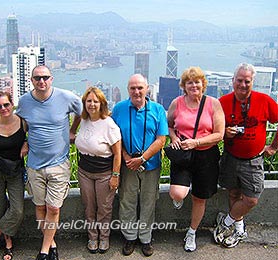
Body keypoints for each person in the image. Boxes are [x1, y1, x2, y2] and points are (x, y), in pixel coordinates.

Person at [17, 65, 82, 260]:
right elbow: (20, 123)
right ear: (31, 80)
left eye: (45, 77)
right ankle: (51, 244)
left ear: (51, 78)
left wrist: (72, 130)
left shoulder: (66, 97)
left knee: (53, 208)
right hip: (35, 164)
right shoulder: (24, 101)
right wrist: (25, 141)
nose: (41, 81)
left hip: (59, 163)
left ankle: (43, 251)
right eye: (37, 78)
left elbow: (82, 111)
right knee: (40, 207)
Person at [214, 63, 278, 248]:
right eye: (239, 80)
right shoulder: (223, 102)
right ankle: (239, 229)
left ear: (253, 82)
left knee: (251, 199)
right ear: (233, 81)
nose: (243, 84)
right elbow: (214, 129)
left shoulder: (264, 100)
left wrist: (273, 147)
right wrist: (225, 132)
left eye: (247, 81)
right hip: (231, 157)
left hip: (254, 160)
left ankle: (226, 222)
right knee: (233, 192)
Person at [167, 67, 225, 252]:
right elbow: (169, 125)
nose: (193, 85)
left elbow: (219, 134)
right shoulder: (177, 103)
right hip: (183, 154)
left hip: (206, 155)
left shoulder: (213, 104)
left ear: (203, 84)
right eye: (189, 82)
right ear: (184, 86)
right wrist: (174, 138)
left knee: (200, 198)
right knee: (177, 193)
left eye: (197, 81)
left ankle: (192, 232)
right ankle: (181, 195)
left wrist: (197, 142)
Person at [111, 74, 168, 257]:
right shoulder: (119, 109)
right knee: (127, 201)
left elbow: (161, 140)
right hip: (127, 164)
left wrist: (142, 159)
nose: (136, 92)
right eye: (133, 88)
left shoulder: (157, 109)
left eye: (140, 88)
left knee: (148, 201)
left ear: (147, 89)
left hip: (150, 164)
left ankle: (145, 238)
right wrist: (127, 157)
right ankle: (129, 237)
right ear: (128, 90)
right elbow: (114, 138)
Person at [74, 87, 122, 254]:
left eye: (95, 101)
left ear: (102, 104)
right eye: (89, 101)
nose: (92, 104)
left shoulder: (109, 124)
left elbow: (117, 154)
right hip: (84, 171)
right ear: (84, 103)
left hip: (104, 173)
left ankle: (104, 237)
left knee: (104, 208)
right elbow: (73, 134)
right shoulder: (83, 119)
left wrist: (115, 175)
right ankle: (92, 236)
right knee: (89, 207)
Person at [0, 91, 28, 260]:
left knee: (17, 210)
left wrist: (26, 142)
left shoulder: (23, 123)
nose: (3, 108)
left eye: (6, 104)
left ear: (12, 104)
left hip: (15, 171)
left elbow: (38, 136)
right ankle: (8, 243)